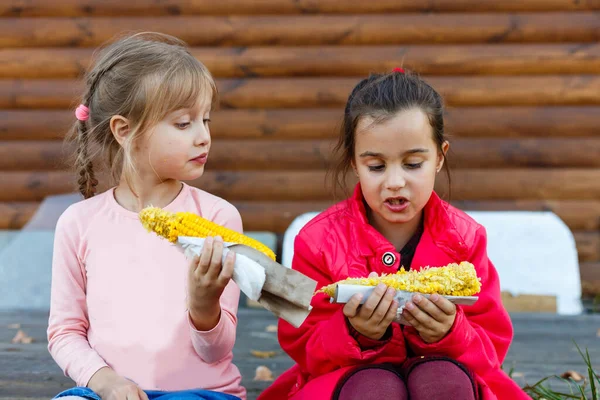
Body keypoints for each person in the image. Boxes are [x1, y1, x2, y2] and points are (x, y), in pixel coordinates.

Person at [258, 69, 530, 400]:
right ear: (354, 163)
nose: (395, 182)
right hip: (348, 380)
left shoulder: (466, 239)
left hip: (447, 374)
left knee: (443, 380)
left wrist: (450, 332)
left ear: (440, 157)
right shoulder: (316, 242)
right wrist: (354, 333)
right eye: (376, 166)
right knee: (376, 389)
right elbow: (301, 342)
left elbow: (492, 347)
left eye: (413, 164)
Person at [47, 32, 245, 400]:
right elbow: (65, 332)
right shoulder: (79, 224)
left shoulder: (219, 217)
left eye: (206, 120)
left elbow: (216, 351)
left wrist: (204, 307)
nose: (204, 137)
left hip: (201, 393)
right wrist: (107, 382)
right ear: (124, 131)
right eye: (184, 124)